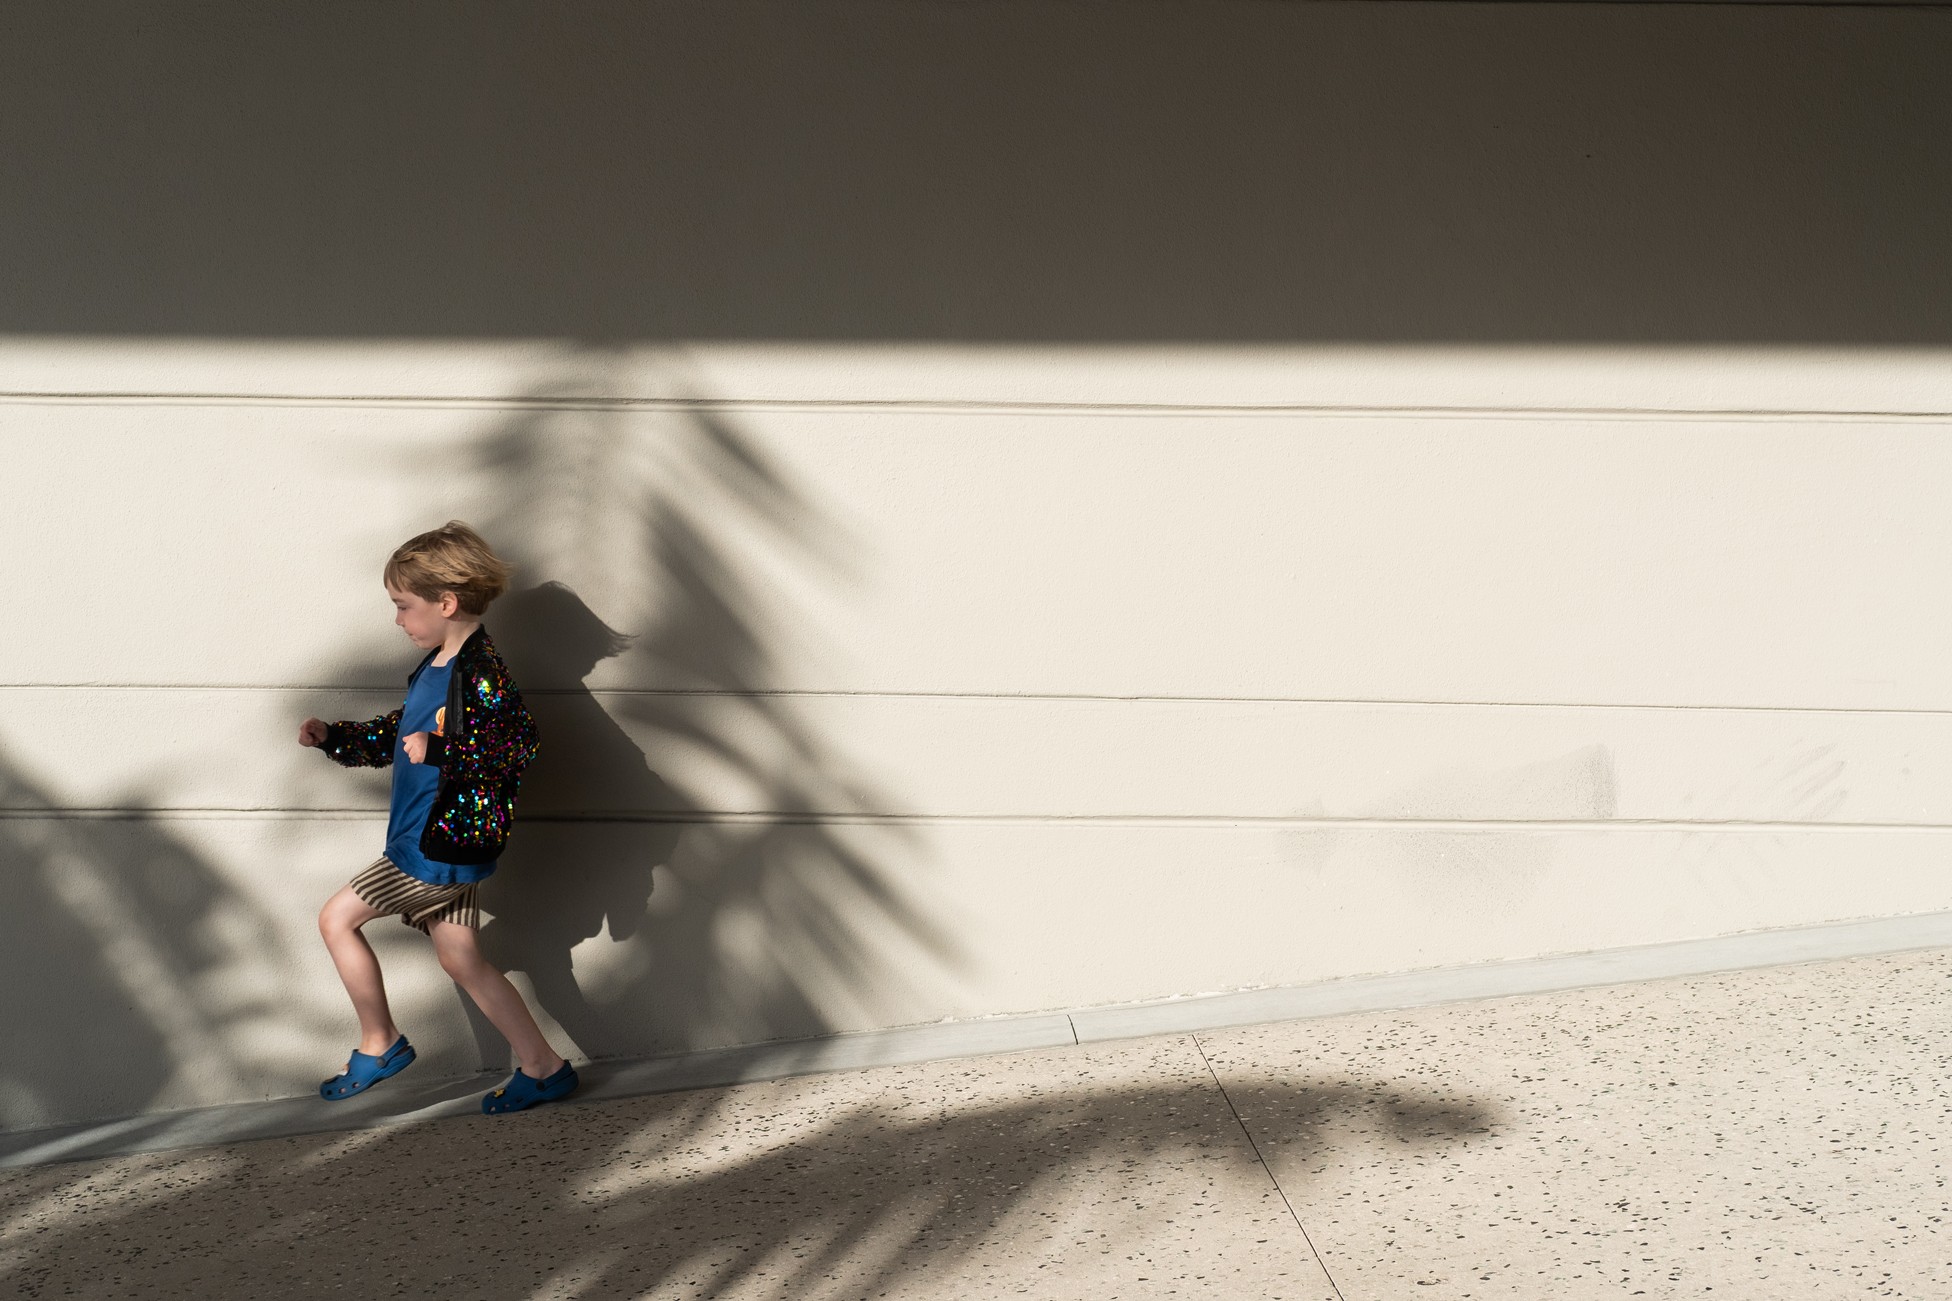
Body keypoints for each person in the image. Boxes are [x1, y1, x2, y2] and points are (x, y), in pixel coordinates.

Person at [298, 521, 578, 1114]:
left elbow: (517, 746)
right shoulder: (435, 666)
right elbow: (399, 737)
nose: (398, 618)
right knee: (461, 958)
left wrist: (443, 749)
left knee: (335, 919)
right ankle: (544, 1067)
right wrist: (335, 739)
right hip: (441, 842)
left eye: (403, 605)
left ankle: (381, 1043)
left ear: (445, 603)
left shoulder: (480, 673)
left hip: (435, 849)